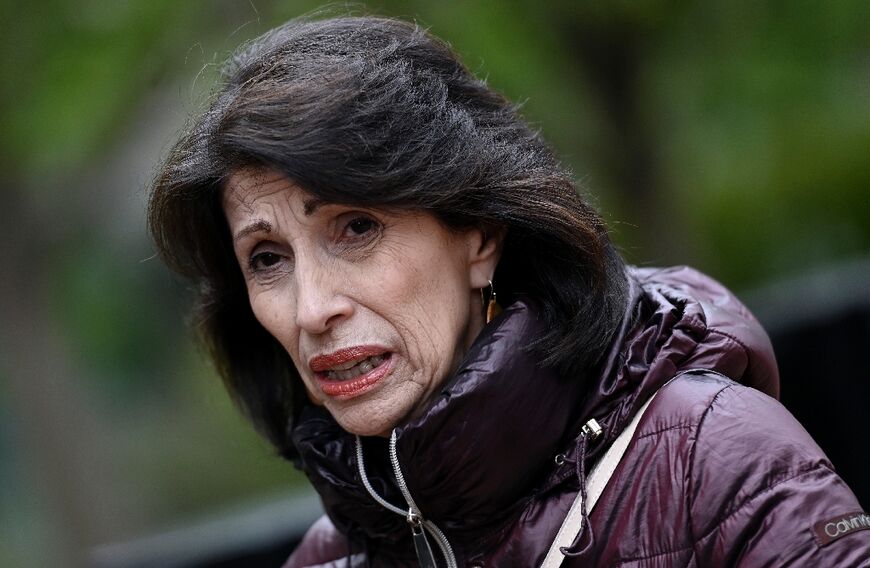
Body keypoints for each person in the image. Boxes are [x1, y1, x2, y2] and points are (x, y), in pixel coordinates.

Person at [147, 14, 870, 567]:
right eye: (268, 259)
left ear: (479, 235)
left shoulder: (719, 465)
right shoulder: (328, 557)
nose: (312, 309)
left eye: (357, 227)